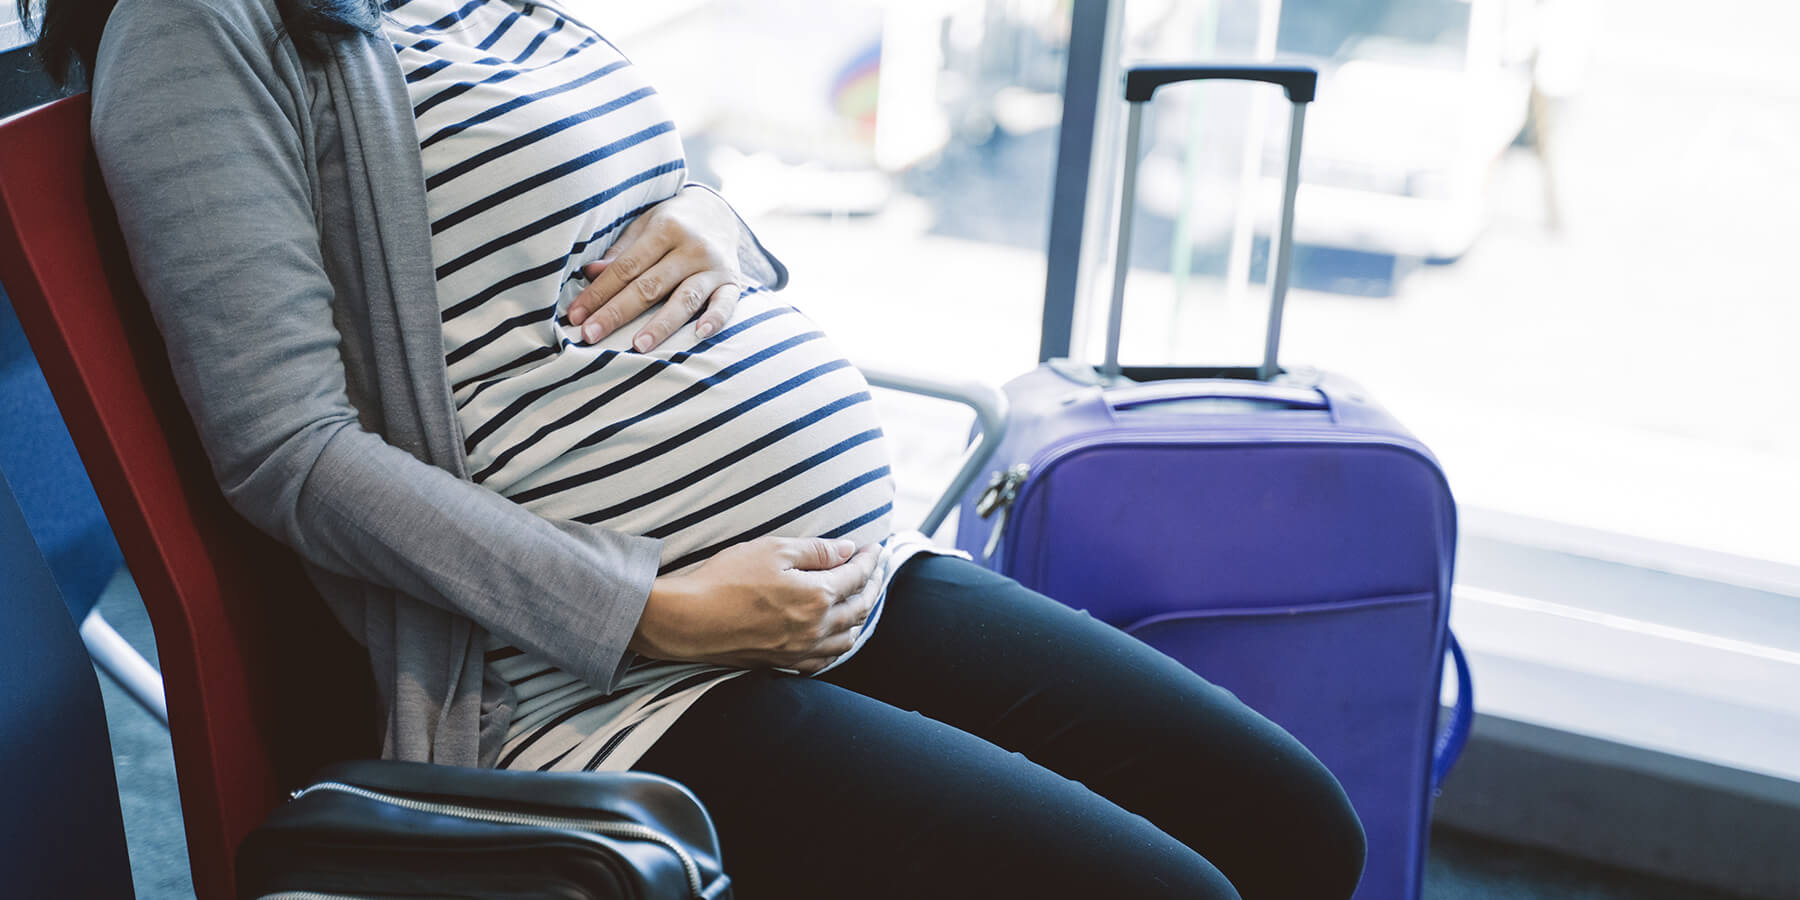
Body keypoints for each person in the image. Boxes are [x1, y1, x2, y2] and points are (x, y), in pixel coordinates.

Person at [30, 0, 1366, 895]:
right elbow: (288, 452)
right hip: (604, 691)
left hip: (849, 576)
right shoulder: (203, 27)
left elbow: (621, 199)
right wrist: (649, 617)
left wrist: (722, 223)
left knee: (1296, 826)